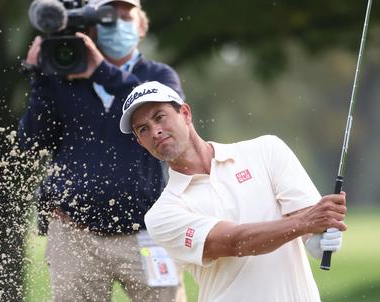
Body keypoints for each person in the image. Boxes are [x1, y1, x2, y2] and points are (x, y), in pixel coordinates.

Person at [19, 0, 184, 301]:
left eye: (127, 16)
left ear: (141, 26)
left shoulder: (159, 76)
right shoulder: (60, 79)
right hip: (74, 233)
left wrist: (100, 71)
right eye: (108, 17)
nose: (117, 24)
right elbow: (32, 141)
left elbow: (160, 112)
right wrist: (39, 78)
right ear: (90, 26)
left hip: (147, 232)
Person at [119, 81, 347, 302]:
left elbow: (309, 219)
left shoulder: (267, 150)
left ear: (186, 114)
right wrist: (306, 223)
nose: (155, 131)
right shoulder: (161, 215)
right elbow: (234, 243)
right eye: (143, 129)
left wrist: (318, 237)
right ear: (141, 142)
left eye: (160, 117)